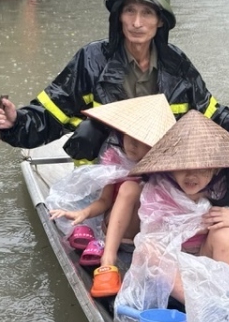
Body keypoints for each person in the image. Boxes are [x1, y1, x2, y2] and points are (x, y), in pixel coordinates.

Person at [0, 0, 229, 162]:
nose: (137, 22)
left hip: (163, 166)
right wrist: (15, 121)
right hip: (103, 169)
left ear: (161, 22)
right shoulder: (91, 59)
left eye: (146, 13)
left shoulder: (177, 64)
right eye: (129, 11)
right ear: (119, 17)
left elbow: (213, 118)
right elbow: (49, 115)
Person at [114, 111, 229, 311]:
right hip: (174, 265)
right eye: (183, 167)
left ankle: (228, 298)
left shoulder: (221, 191)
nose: (191, 175)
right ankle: (200, 305)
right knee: (148, 248)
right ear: (170, 167)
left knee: (226, 232)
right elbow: (154, 233)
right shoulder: (160, 190)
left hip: (206, 257)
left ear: (216, 169)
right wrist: (197, 227)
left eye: (201, 168)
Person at [44, 95, 176, 295]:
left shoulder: (165, 168)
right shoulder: (114, 157)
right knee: (129, 188)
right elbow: (105, 201)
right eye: (128, 136)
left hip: (147, 236)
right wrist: (84, 213)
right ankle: (108, 260)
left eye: (140, 140)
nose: (131, 144)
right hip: (118, 232)